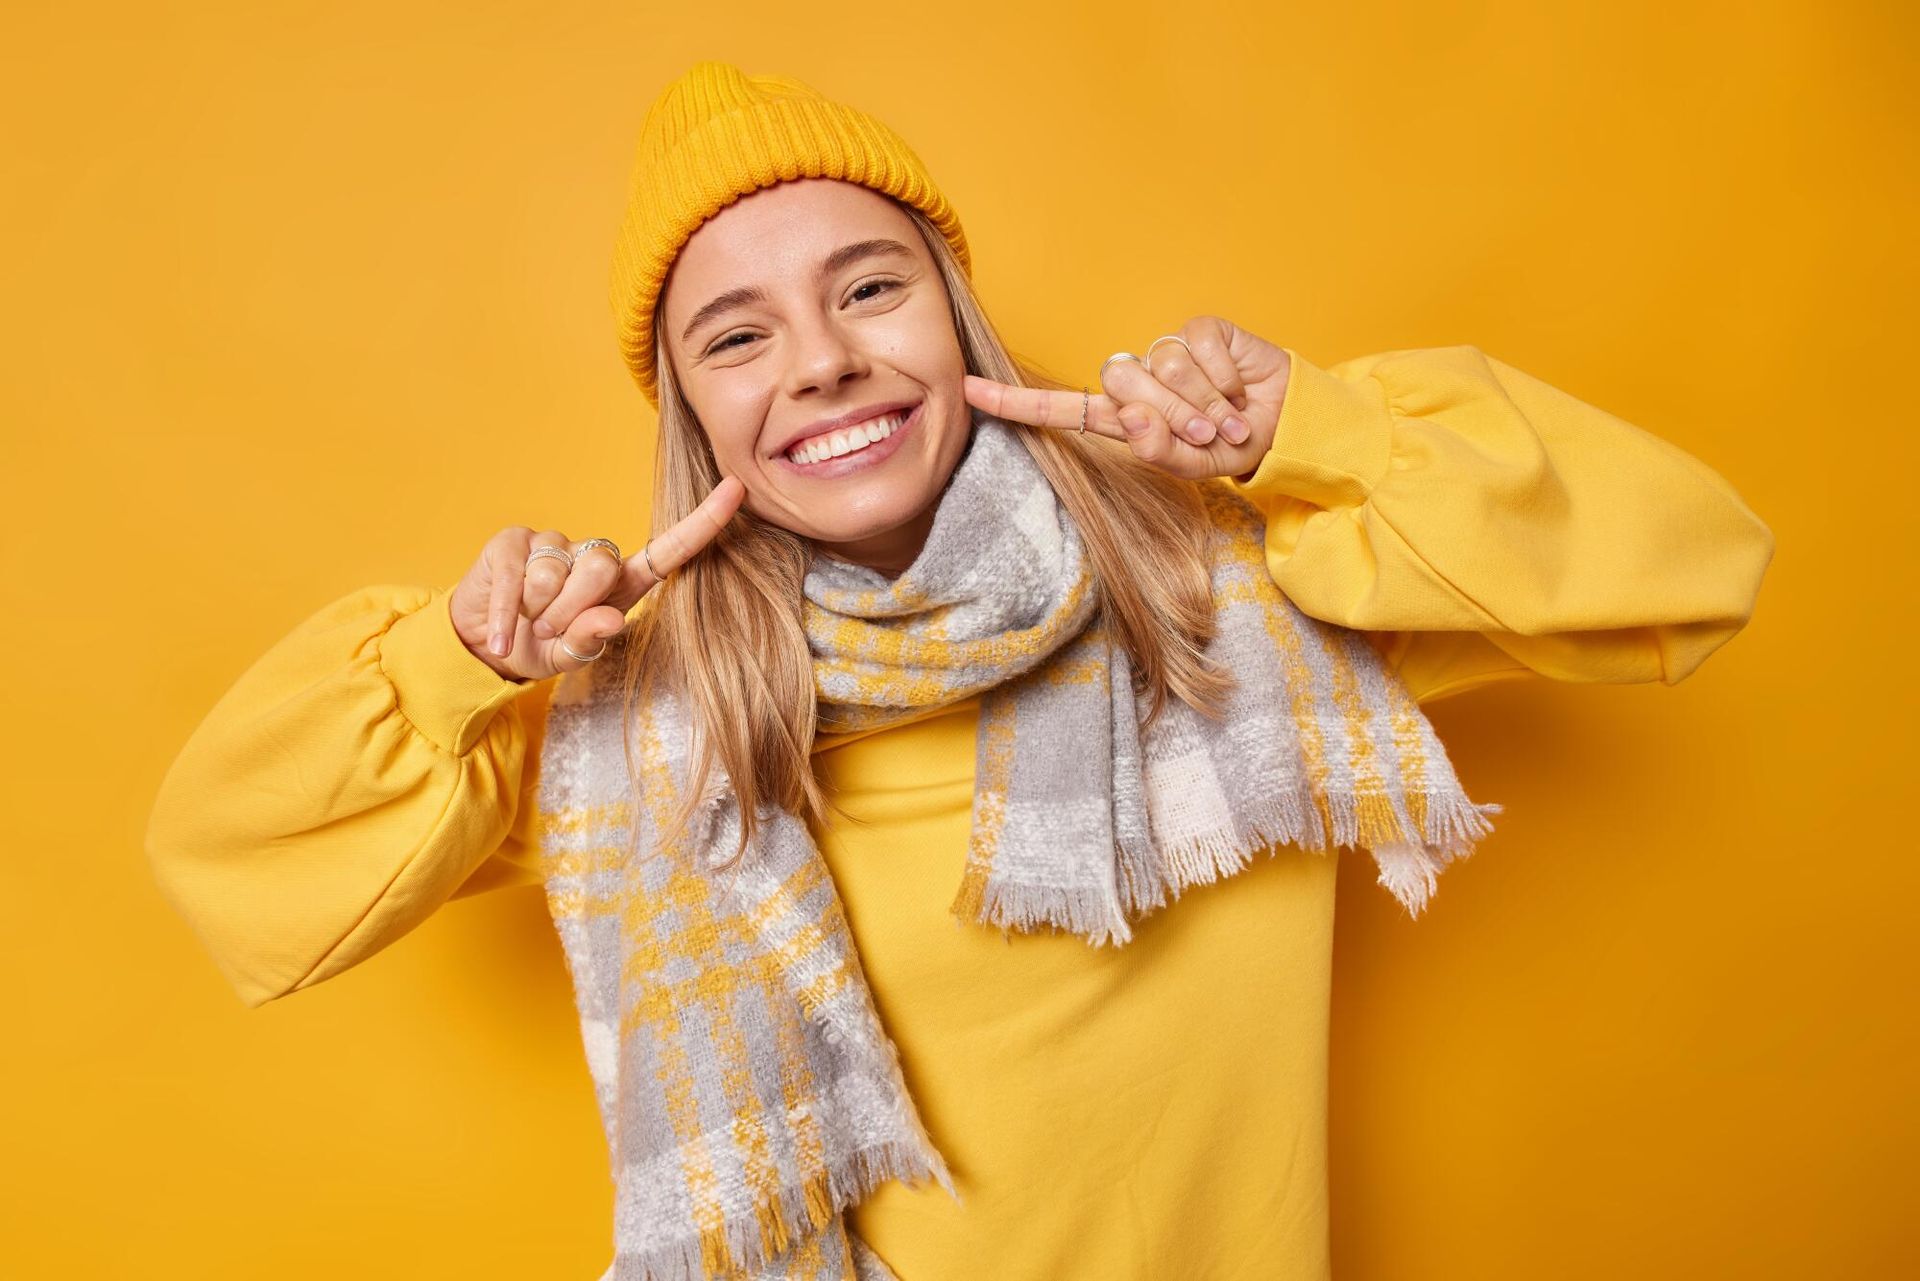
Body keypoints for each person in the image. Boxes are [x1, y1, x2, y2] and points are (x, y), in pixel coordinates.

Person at [146, 60, 1776, 1281]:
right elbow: (231, 864)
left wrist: (1310, 434)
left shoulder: (1237, 602)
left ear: (956, 321)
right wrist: (451, 663)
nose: (824, 356)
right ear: (695, 419)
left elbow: (1693, 563)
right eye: (737, 334)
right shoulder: (638, 730)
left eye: (869, 287)